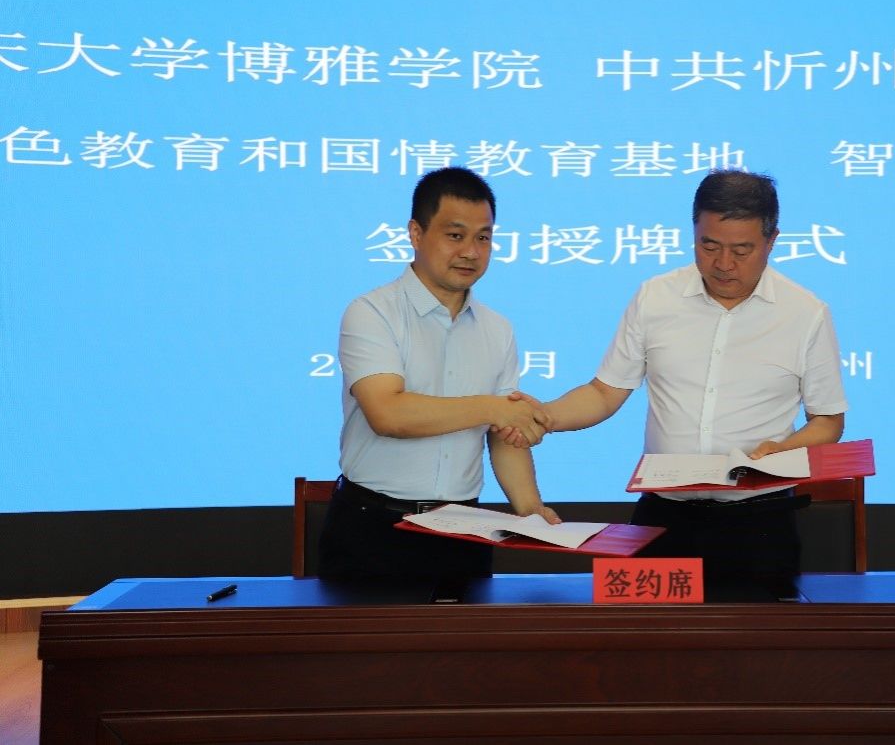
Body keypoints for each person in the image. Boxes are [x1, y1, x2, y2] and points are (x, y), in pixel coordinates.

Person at [536, 169, 847, 583]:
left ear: (771, 241)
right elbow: (605, 392)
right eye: (709, 245)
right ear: (694, 231)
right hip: (664, 516)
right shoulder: (656, 297)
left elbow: (828, 420)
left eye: (741, 250)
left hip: (760, 521)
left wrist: (782, 450)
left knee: (754, 626)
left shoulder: (805, 313)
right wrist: (543, 417)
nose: (723, 264)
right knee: (652, 627)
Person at [319, 166, 558, 583]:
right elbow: (388, 414)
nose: (471, 252)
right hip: (374, 527)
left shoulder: (498, 329)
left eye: (483, 237)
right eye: (455, 235)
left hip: (465, 530)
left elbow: (503, 433)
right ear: (416, 233)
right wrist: (493, 408)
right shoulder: (372, 312)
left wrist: (530, 508)